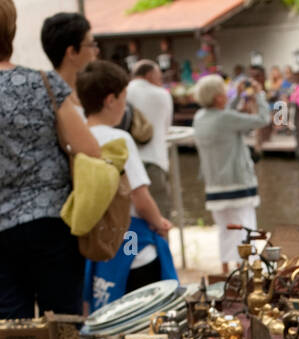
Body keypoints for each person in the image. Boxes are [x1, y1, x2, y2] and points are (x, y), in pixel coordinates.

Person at [0, 0, 102, 317]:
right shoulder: (44, 83)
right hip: (51, 222)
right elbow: (89, 150)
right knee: (62, 325)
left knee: (9, 332)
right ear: (12, 31)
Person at [77, 60, 175, 308]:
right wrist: (160, 223)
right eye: (124, 97)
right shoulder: (119, 140)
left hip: (99, 239)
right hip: (131, 238)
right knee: (143, 315)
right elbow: (140, 199)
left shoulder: (76, 138)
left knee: (107, 307)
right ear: (110, 100)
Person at [193, 72, 271, 270]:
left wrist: (236, 97)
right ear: (217, 97)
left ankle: (226, 270)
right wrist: (259, 95)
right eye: (223, 93)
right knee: (245, 227)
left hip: (214, 186)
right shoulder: (226, 118)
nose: (226, 95)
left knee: (225, 231)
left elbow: (220, 115)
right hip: (237, 183)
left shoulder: (200, 117)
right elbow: (262, 119)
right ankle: (246, 270)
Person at [126, 60, 174, 217]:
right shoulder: (162, 95)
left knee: (130, 217)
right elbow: (166, 126)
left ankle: (133, 242)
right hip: (155, 159)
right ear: (149, 75)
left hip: (126, 161)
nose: (161, 80)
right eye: (159, 76)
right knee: (159, 213)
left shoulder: (123, 92)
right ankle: (160, 241)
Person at [40, 11, 99, 104]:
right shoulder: (48, 101)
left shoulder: (90, 93)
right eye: (91, 44)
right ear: (72, 52)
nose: (97, 50)